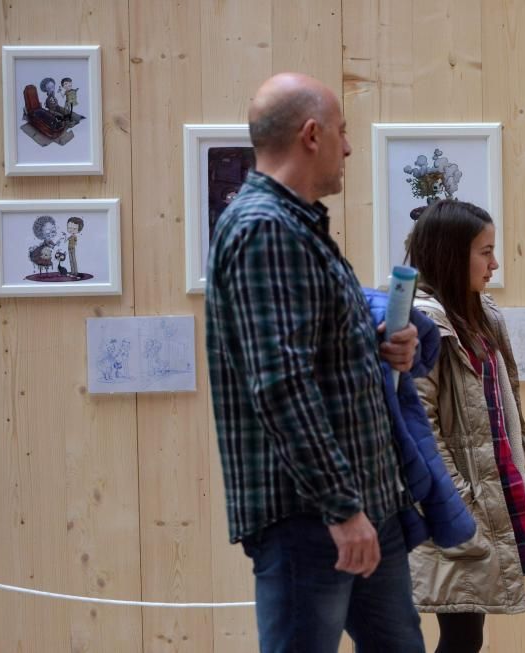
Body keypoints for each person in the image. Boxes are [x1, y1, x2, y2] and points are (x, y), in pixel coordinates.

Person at [205, 72, 425, 653]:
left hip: (362, 505)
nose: (348, 147)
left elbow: (308, 355)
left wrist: (376, 343)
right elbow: (279, 384)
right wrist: (343, 508)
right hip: (317, 517)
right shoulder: (266, 231)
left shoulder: (296, 227)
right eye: (343, 132)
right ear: (311, 135)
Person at [405, 200, 525, 653]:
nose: (494, 263)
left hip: (481, 496)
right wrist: (459, 501)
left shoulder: (478, 314)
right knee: (461, 636)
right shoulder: (424, 323)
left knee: (466, 634)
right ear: (450, 253)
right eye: (485, 251)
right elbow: (420, 430)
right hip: (452, 505)